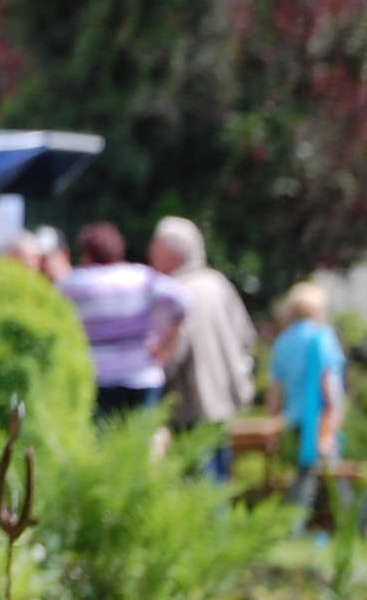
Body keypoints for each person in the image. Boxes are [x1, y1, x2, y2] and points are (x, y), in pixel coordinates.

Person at [149, 216, 256, 480]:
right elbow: (247, 338)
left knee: (198, 494)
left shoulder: (176, 292)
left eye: (155, 245)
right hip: (223, 405)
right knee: (218, 483)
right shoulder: (218, 283)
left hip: (190, 407)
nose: (150, 251)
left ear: (171, 252)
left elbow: (172, 354)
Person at [55, 222, 186, 418]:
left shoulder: (73, 283)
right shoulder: (142, 277)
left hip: (97, 376)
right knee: (139, 442)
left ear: (87, 253)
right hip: (142, 373)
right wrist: (165, 345)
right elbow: (182, 301)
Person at [267, 281, 349, 528]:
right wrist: (334, 419)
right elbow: (328, 384)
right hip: (319, 417)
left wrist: (272, 423)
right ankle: (341, 524)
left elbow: (274, 389)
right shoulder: (321, 336)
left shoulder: (283, 341)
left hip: (292, 417)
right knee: (325, 476)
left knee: (313, 472)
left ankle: (305, 524)